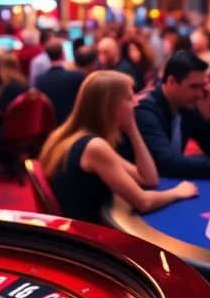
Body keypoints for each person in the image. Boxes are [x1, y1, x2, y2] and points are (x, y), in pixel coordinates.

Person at [40, 71, 198, 223]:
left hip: (76, 232)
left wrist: (132, 127)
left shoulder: (69, 135)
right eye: (129, 98)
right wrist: (177, 192)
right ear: (110, 106)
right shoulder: (94, 147)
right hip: (88, 239)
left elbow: (149, 179)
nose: (136, 103)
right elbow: (143, 202)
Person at [120, 51, 210, 180]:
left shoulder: (186, 104)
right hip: (135, 190)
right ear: (171, 82)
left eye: (202, 87)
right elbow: (167, 163)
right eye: (194, 87)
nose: (200, 94)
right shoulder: (145, 110)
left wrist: (205, 111)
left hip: (165, 180)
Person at [35, 39, 85, 124]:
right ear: (62, 53)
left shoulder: (39, 80)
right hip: (73, 124)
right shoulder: (77, 76)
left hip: (51, 126)